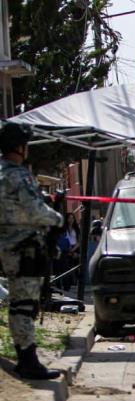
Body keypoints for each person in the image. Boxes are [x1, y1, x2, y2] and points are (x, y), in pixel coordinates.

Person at [0, 122, 63, 380]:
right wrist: (57, 218)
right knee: (23, 306)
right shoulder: (18, 175)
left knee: (18, 306)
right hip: (24, 247)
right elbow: (36, 211)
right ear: (18, 147)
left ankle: (25, 357)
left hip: (6, 247)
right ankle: (28, 361)